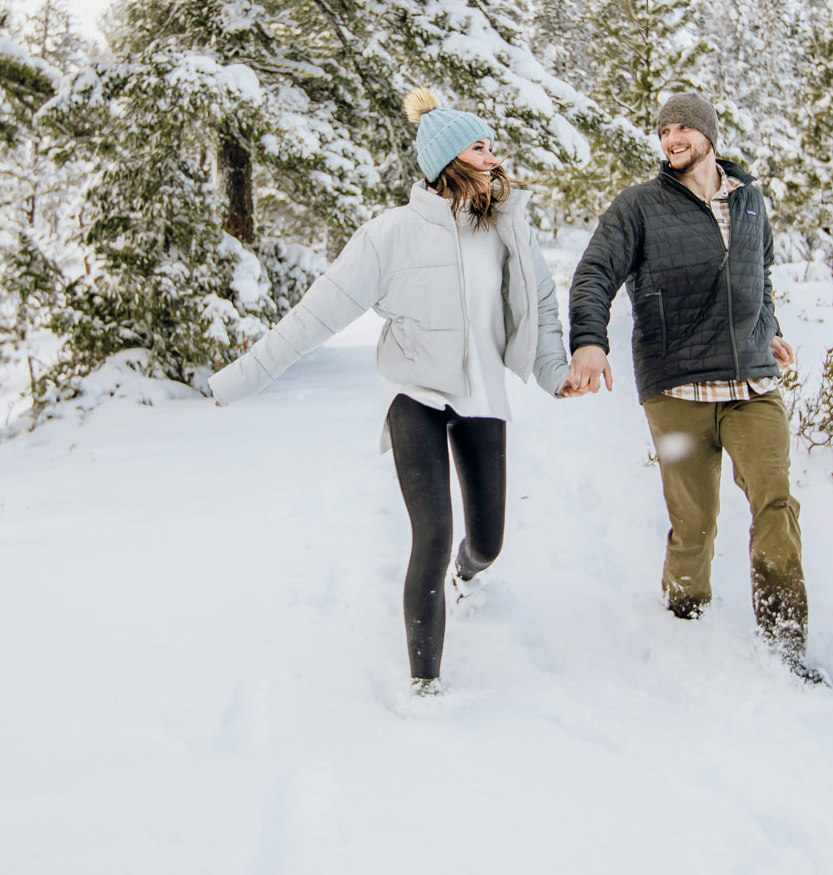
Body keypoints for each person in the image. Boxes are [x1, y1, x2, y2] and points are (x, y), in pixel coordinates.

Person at [209, 89, 570, 695]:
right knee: (430, 528)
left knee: (488, 541)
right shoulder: (389, 237)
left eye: (491, 146)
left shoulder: (508, 227)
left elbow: (539, 304)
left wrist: (557, 374)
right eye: (481, 148)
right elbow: (310, 319)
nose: (493, 158)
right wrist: (237, 381)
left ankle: (468, 570)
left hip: (483, 398)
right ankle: (424, 683)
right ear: (450, 160)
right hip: (418, 397)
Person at [561, 93, 817, 680]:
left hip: (753, 383)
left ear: (708, 135)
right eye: (664, 130)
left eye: (683, 128)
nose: (672, 138)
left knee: (776, 505)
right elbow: (595, 271)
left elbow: (761, 275)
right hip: (676, 391)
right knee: (695, 521)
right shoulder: (639, 207)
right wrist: (589, 340)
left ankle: (786, 643)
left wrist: (768, 328)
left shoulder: (750, 202)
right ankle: (684, 615)